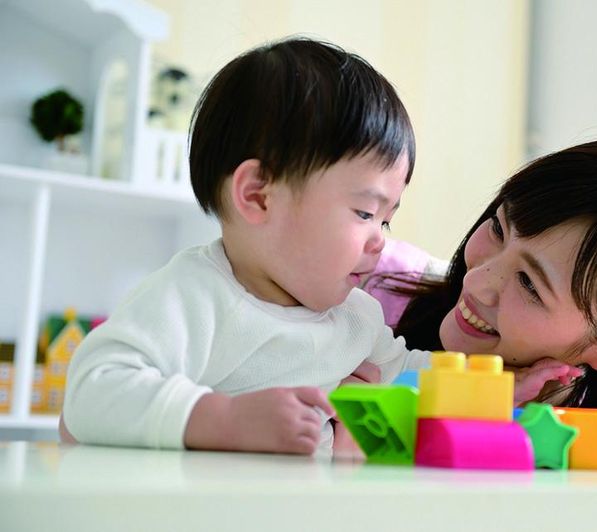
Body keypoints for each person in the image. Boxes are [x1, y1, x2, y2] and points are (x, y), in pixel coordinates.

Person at [61, 37, 431, 455]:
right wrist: (223, 419)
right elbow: (92, 389)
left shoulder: (358, 319)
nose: (380, 240)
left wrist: (492, 376)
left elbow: (415, 376)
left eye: (386, 220)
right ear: (259, 196)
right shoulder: (195, 297)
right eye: (365, 213)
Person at [367, 138, 597, 459]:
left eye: (530, 284)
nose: (477, 281)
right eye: (499, 229)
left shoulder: (591, 460)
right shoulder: (363, 282)